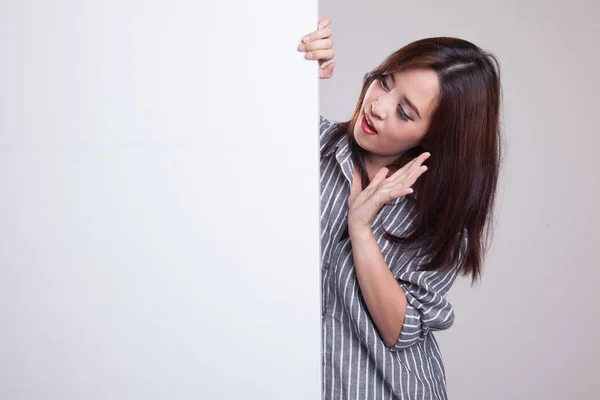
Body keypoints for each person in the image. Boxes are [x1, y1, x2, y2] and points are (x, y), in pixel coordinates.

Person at [298, 16, 502, 400]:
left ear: (438, 136)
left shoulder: (437, 219)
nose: (377, 106)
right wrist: (288, 69)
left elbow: (400, 330)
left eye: (405, 112)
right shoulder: (306, 146)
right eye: (385, 81)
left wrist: (360, 229)